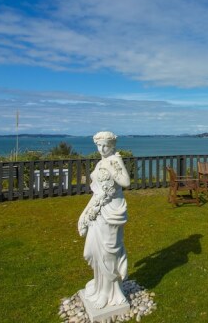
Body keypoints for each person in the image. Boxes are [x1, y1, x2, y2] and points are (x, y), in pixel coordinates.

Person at [78, 131, 130, 309]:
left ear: (112, 146)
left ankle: (110, 293)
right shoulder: (101, 161)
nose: (101, 149)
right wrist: (85, 213)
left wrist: (111, 166)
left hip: (112, 211)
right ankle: (100, 285)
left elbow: (125, 182)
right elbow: (98, 192)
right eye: (99, 145)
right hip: (99, 210)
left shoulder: (114, 160)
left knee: (109, 253)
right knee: (92, 252)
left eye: (105, 145)